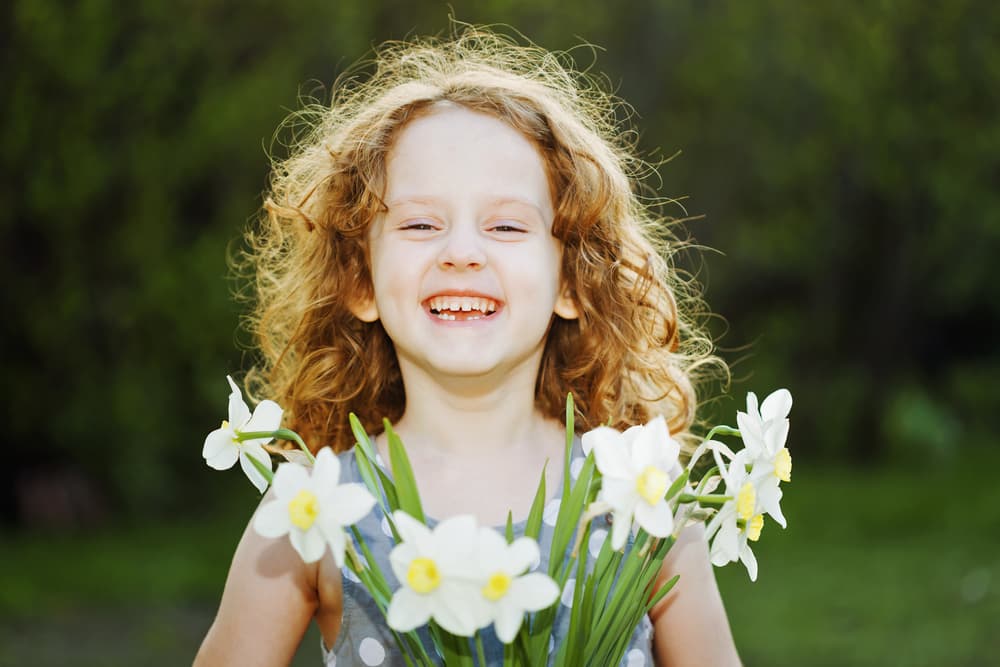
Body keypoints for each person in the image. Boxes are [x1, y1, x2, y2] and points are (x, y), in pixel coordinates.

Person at [195, 26, 741, 667]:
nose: (460, 253)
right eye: (421, 224)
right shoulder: (313, 509)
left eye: (506, 225)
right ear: (359, 280)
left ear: (571, 281)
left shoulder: (639, 499)